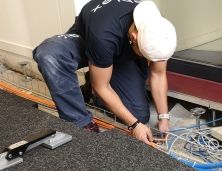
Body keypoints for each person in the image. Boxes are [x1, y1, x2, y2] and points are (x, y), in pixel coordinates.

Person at [32, 0, 176, 145]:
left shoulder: (157, 29)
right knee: (50, 55)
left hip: (118, 51)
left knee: (139, 115)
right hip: (90, 39)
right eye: (145, 57)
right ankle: (81, 121)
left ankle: (97, 83)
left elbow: (158, 74)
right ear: (133, 37)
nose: (148, 61)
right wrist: (135, 125)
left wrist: (164, 118)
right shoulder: (103, 33)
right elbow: (102, 87)